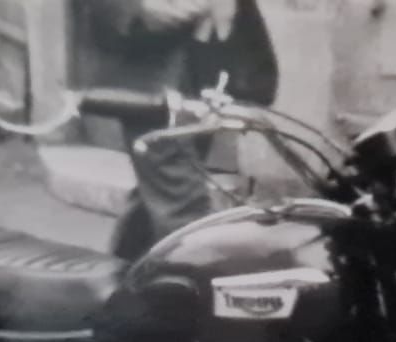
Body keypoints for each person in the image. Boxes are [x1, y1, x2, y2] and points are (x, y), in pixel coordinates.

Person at [75, 0, 278, 260]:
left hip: (201, 68)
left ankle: (123, 275)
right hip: (155, 75)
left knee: (160, 199)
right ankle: (193, 278)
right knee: (183, 208)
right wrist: (142, 11)